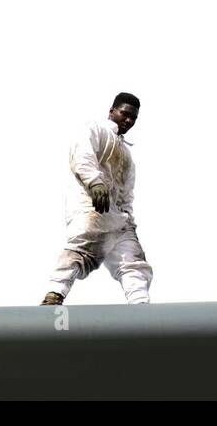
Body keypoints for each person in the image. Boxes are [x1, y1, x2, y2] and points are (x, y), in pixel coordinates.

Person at [40, 92, 152, 305]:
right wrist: (95, 183)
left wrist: (128, 221)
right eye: (125, 114)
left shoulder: (127, 155)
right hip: (93, 210)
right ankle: (54, 296)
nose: (128, 120)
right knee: (78, 251)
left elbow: (126, 194)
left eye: (133, 118)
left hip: (119, 220)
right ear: (112, 111)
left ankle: (140, 308)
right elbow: (82, 154)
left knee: (133, 262)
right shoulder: (96, 130)